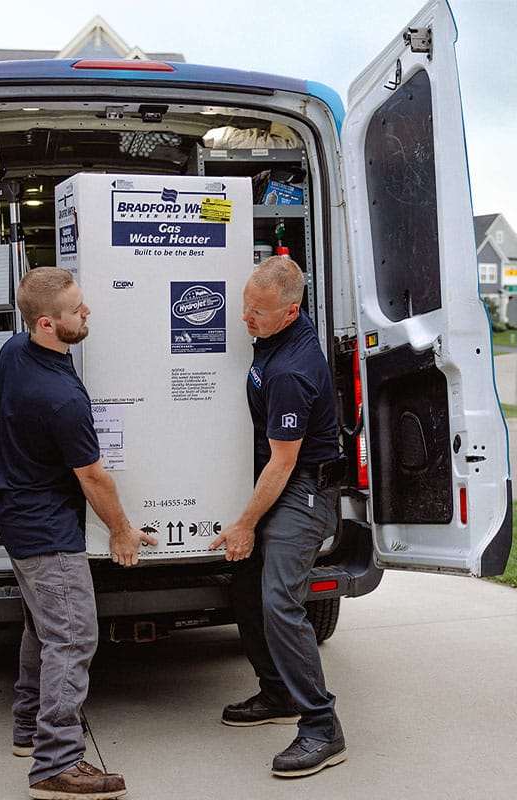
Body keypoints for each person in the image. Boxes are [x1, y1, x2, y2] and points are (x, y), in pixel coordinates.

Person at [0, 267, 157, 800]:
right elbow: (93, 475)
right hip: (46, 531)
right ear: (46, 323)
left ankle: (28, 728)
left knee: (44, 629)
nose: (87, 314)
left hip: (18, 519)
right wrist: (122, 532)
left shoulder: (15, 352)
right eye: (76, 311)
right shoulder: (60, 399)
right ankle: (55, 763)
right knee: (72, 636)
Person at [209, 256, 348, 778]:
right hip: (276, 480)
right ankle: (277, 693)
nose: (246, 318)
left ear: (291, 313)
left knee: (279, 602)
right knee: (245, 587)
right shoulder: (276, 332)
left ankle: (321, 726)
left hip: (301, 491)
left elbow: (285, 461)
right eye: (245, 305)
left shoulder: (291, 370)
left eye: (259, 313)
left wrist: (245, 523)